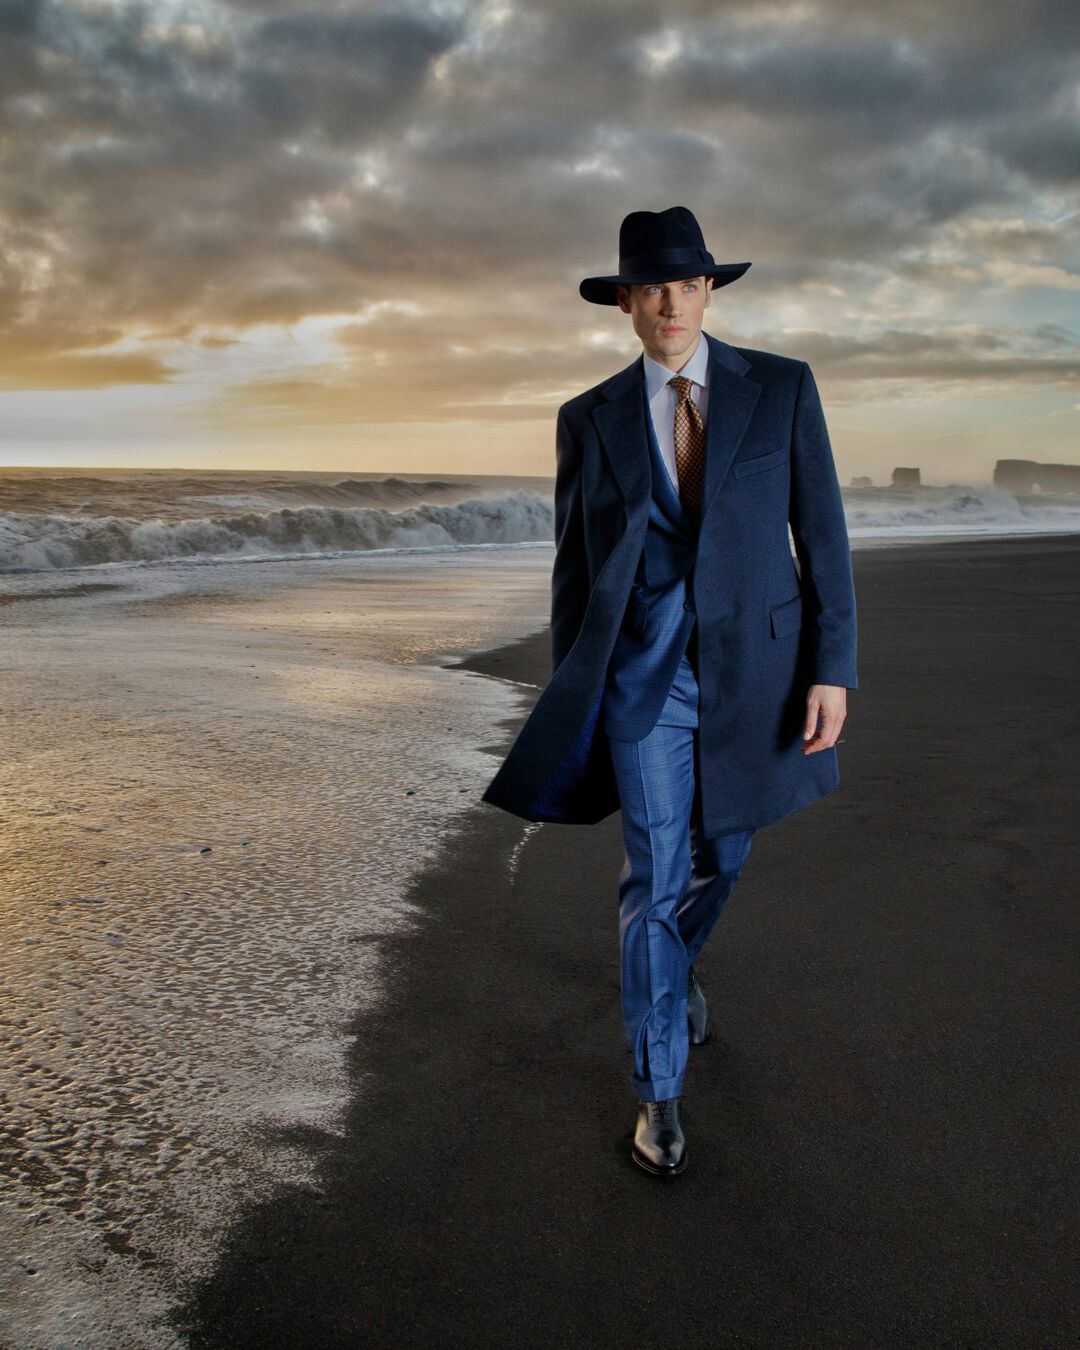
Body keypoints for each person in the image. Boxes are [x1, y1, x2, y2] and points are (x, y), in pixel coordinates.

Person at [481, 205, 858, 1179]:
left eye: (687, 283)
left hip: (758, 678)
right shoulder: (588, 418)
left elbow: (821, 538)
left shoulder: (780, 390)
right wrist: (579, 692)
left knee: (721, 855)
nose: (670, 302)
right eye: (650, 287)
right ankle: (659, 1091)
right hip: (643, 684)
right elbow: (574, 571)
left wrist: (831, 667)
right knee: (652, 873)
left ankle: (676, 968)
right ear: (624, 305)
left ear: (709, 291)